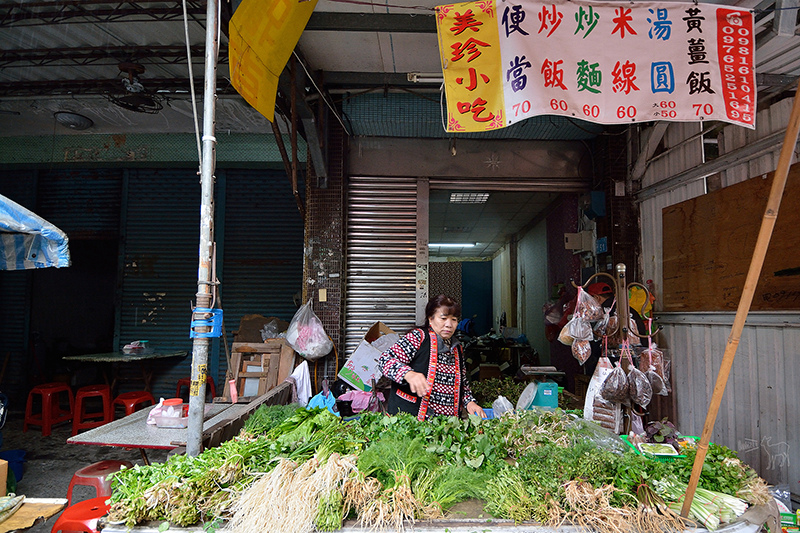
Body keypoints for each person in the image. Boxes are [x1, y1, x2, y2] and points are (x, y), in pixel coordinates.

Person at [377, 294, 486, 420]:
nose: (449, 324)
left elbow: (463, 384)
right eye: (443, 318)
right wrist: (408, 374)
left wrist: (469, 402)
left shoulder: (457, 348)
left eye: (454, 319)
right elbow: (385, 360)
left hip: (445, 425)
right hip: (412, 422)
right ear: (430, 319)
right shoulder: (418, 337)